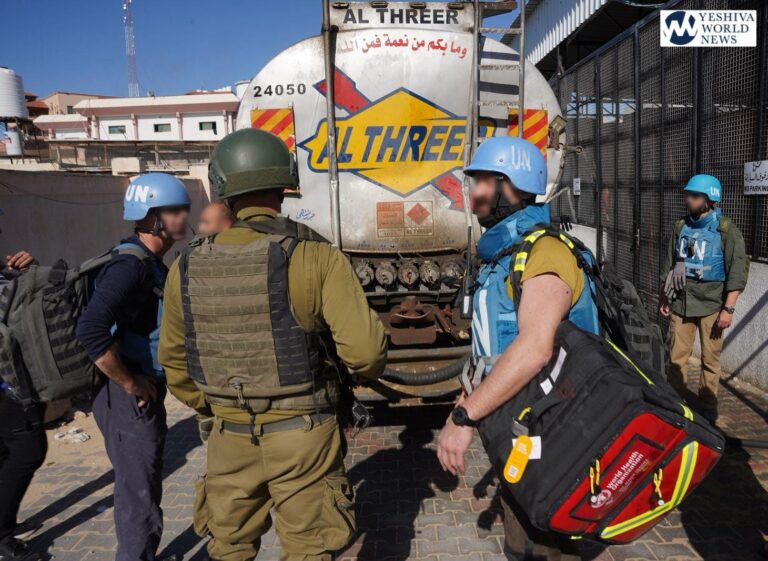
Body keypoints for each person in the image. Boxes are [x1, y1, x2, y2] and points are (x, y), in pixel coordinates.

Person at [158, 128, 387, 561]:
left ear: (223, 190)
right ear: (284, 185)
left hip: (228, 438)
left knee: (228, 549)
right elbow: (366, 353)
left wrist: (218, 407)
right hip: (305, 436)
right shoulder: (316, 256)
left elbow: (173, 362)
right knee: (309, 550)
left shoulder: (185, 266)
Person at [436, 137, 599, 561]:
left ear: (512, 186)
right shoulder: (502, 257)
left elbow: (534, 349)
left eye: (482, 182)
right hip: (522, 428)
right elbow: (492, 349)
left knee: (548, 546)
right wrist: (465, 399)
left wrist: (465, 418)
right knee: (521, 543)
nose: (473, 194)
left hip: (558, 434)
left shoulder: (545, 252)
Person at [75, 173, 191, 561]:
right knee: (137, 494)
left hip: (137, 391)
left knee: (143, 485)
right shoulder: (131, 266)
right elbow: (90, 329)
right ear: (151, 216)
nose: (183, 216)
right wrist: (131, 384)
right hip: (126, 398)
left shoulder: (147, 260)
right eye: (174, 210)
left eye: (184, 208)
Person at [659, 174, 749, 424]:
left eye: (695, 196)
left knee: (710, 360)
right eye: (688, 194)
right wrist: (664, 297)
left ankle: (708, 406)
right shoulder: (681, 226)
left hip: (712, 305)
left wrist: (728, 309)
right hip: (681, 302)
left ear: (710, 199)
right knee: (676, 359)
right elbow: (669, 263)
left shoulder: (726, 230)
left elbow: (737, 270)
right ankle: (676, 403)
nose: (688, 199)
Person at [0, 252, 45, 561]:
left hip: (13, 385)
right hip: (12, 388)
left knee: (5, 452)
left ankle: (4, 520)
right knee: (29, 451)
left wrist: (30, 273)